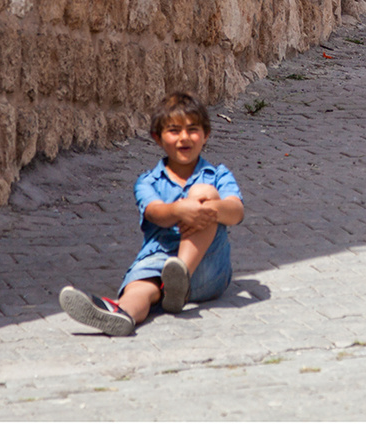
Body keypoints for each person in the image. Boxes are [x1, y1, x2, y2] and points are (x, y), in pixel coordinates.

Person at [58, 92, 244, 336]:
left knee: (204, 193)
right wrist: (179, 209)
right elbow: (156, 213)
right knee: (139, 289)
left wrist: (208, 208)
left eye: (192, 129)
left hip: (209, 267)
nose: (184, 138)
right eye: (174, 130)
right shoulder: (147, 182)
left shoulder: (217, 175)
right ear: (158, 138)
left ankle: (181, 274)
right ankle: (121, 314)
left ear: (206, 135)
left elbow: (236, 212)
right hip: (158, 260)